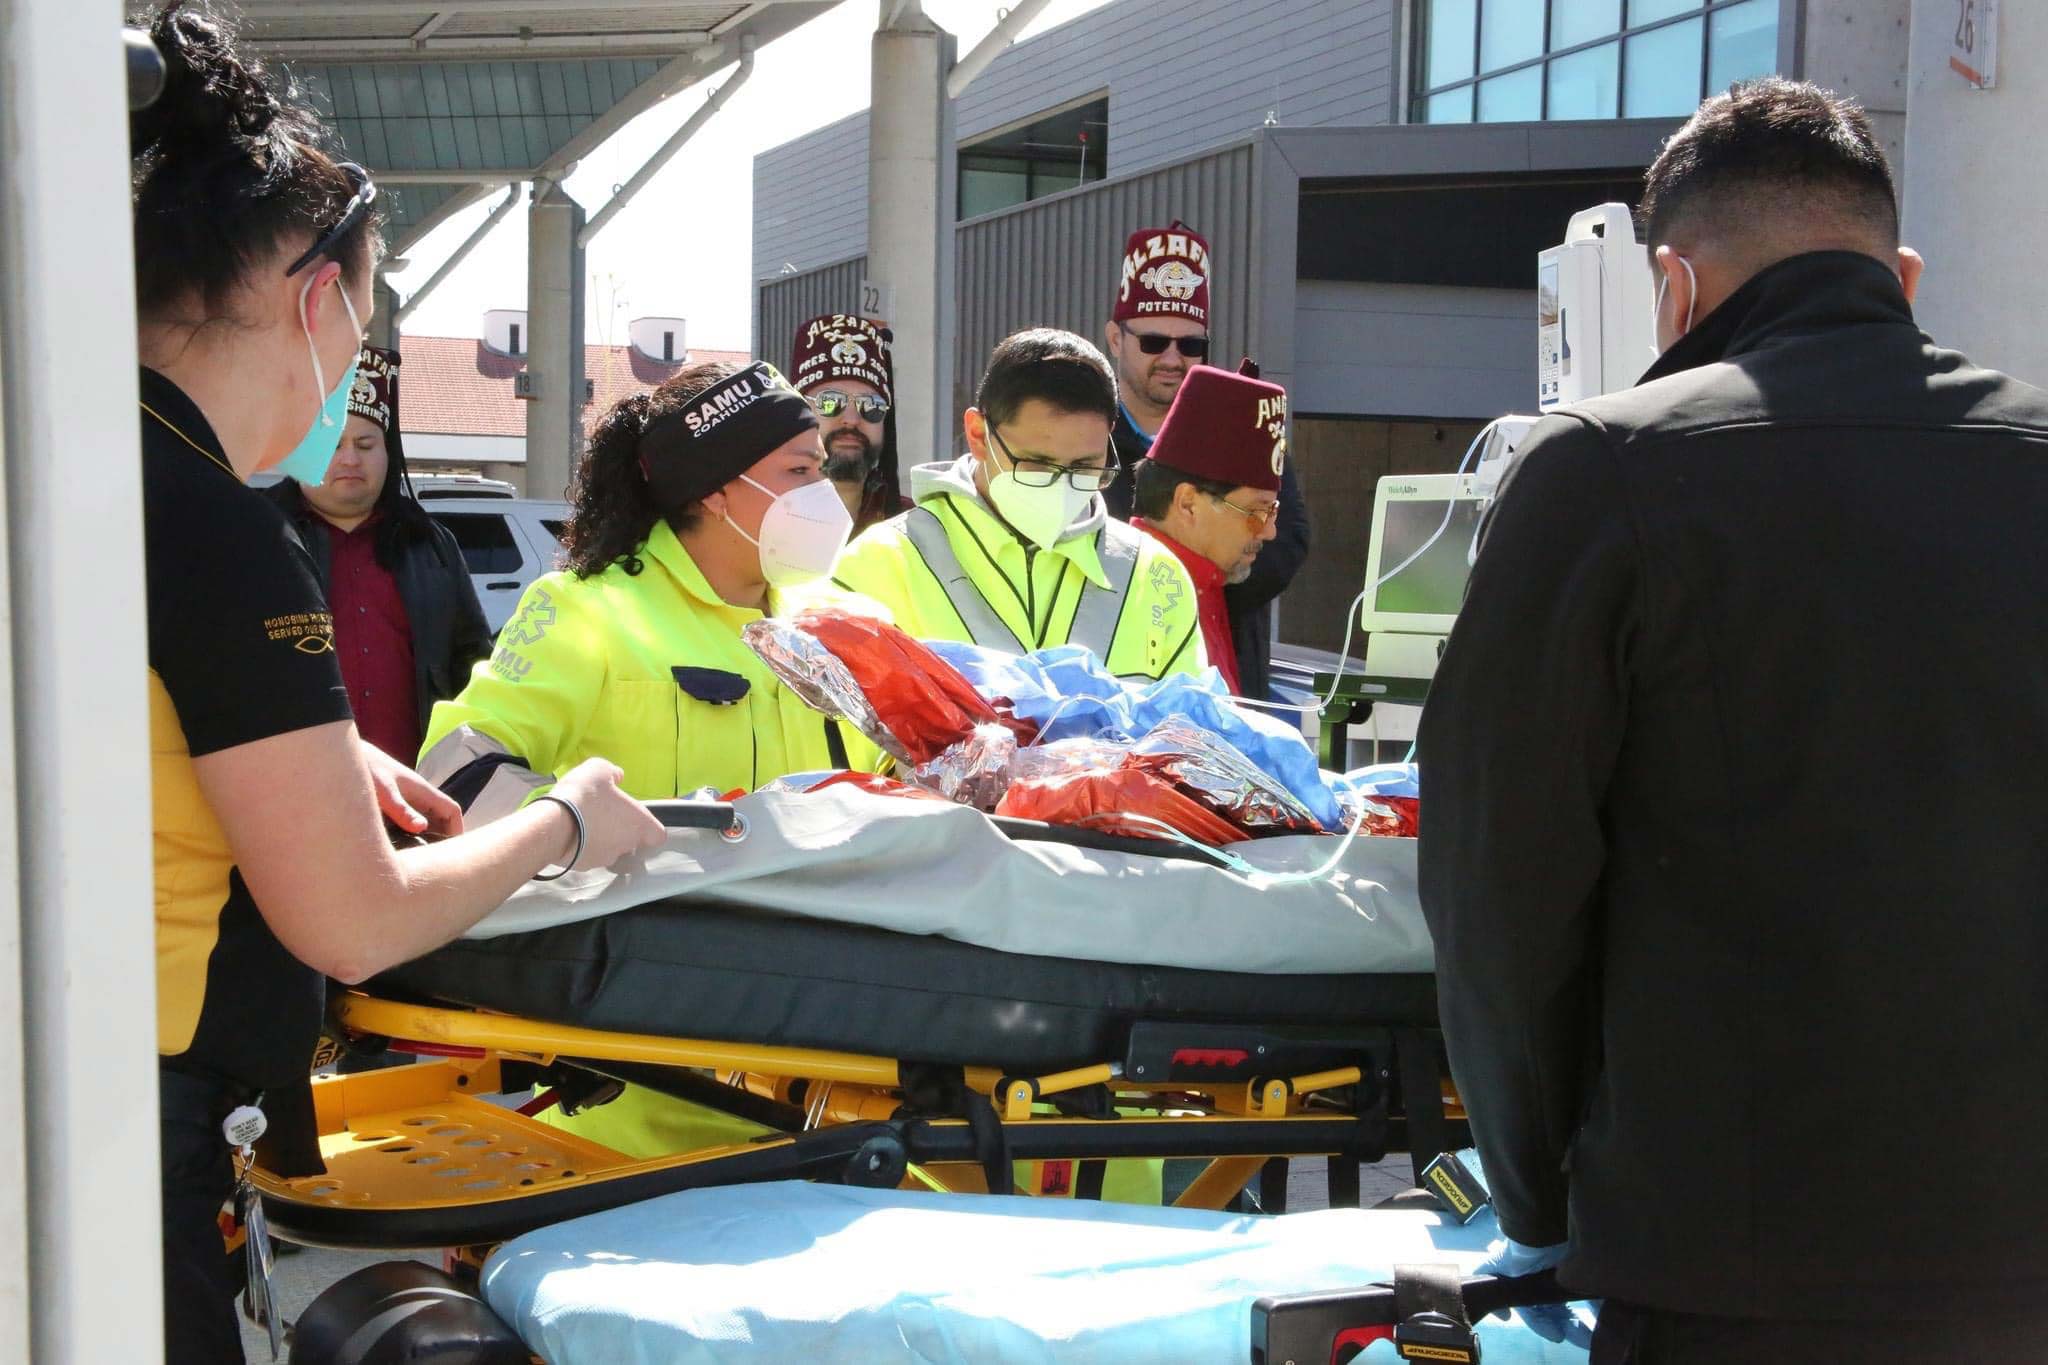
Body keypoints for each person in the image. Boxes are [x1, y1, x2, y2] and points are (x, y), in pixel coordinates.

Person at [1416, 77, 2048, 1363]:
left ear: (1672, 289)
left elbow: (1499, 886)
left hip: (1724, 1260)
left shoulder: (1597, 472)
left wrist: (1532, 1198)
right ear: (1901, 279)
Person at [130, 6, 662, 1359]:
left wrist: (307, 757)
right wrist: (567, 822)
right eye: (362, 322)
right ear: (319, 300)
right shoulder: (213, 524)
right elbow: (354, 920)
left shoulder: (82, 460)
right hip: (138, 1137)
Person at [419, 358, 872, 1156]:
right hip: (637, 1092)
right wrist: (571, 830)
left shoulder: (840, 621)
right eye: (799, 472)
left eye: (822, 471)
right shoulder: (589, 611)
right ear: (715, 490)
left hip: (833, 1074)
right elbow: (453, 778)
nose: (822, 494)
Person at [834, 327, 1204, 680]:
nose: (1062, 488)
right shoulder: (880, 564)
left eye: (1084, 467)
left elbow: (1191, 719)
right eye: (1038, 465)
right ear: (978, 435)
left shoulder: (1154, 575)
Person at [1100, 222, 1307, 698]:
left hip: (1233, 674)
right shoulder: (1089, 434)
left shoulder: (1242, 420)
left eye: (1191, 345)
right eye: (1154, 342)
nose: (1173, 359)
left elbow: (1287, 543)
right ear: (1115, 339)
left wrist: (1204, 568)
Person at [265, 345, 492, 762]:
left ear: (388, 452)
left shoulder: (430, 544)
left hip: (418, 778)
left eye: (366, 444)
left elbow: (473, 660)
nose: (350, 459)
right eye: (333, 444)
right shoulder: (258, 536)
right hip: (292, 777)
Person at [1127, 363, 1287, 695]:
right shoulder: (1131, 586)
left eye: (1273, 510)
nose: (1269, 532)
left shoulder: (1208, 581)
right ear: (1188, 503)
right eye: (1256, 512)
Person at [790, 311, 907, 534]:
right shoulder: (757, 523)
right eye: (830, 401)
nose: (852, 420)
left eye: (871, 405)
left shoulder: (914, 527)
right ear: (799, 410)